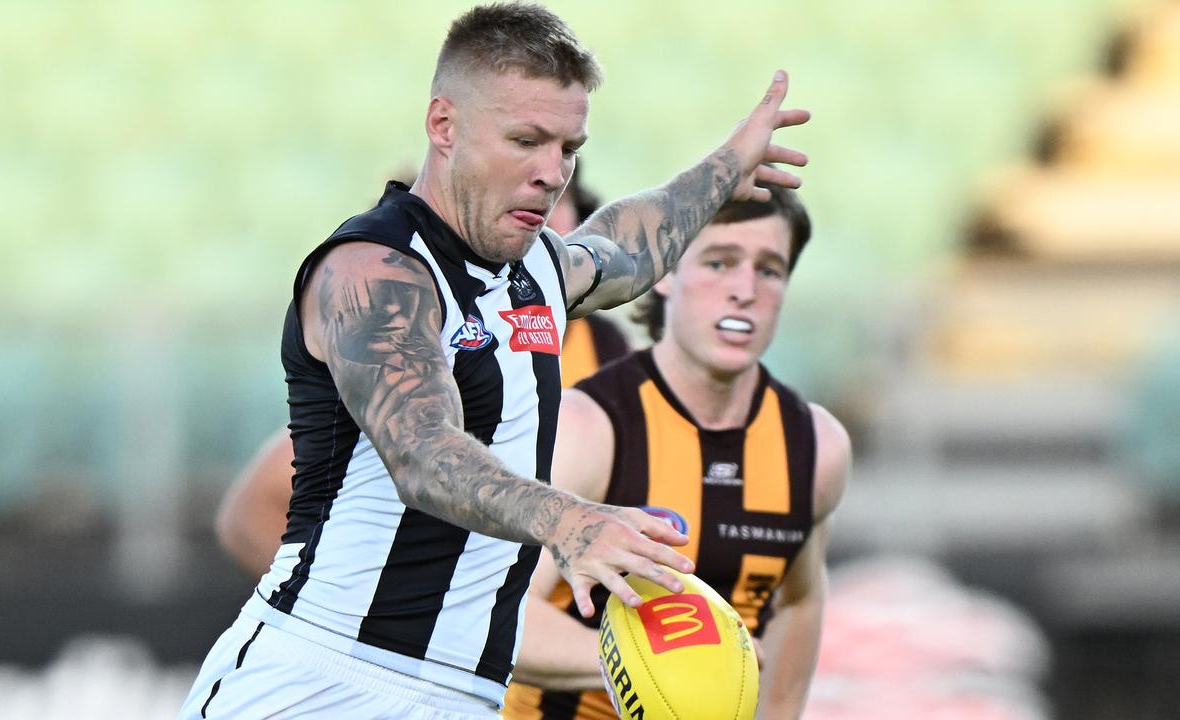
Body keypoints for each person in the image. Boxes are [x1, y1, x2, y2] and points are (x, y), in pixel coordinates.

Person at [179, 3, 810, 718]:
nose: (552, 173)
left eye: (568, 148)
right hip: (324, 680)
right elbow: (422, 454)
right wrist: (572, 523)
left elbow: (632, 248)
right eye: (525, 140)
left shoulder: (534, 268)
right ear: (444, 125)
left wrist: (729, 166)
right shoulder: (373, 271)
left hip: (469, 694)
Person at [501, 184, 850, 720]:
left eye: (769, 269)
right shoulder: (587, 427)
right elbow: (499, 617)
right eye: (719, 262)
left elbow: (798, 601)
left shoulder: (816, 446)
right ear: (664, 274)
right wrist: (674, 667)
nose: (744, 289)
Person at [215, 162, 631, 582]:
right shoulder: (430, 335)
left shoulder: (604, 347)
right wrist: (352, 606)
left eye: (558, 201)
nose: (540, 214)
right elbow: (252, 509)